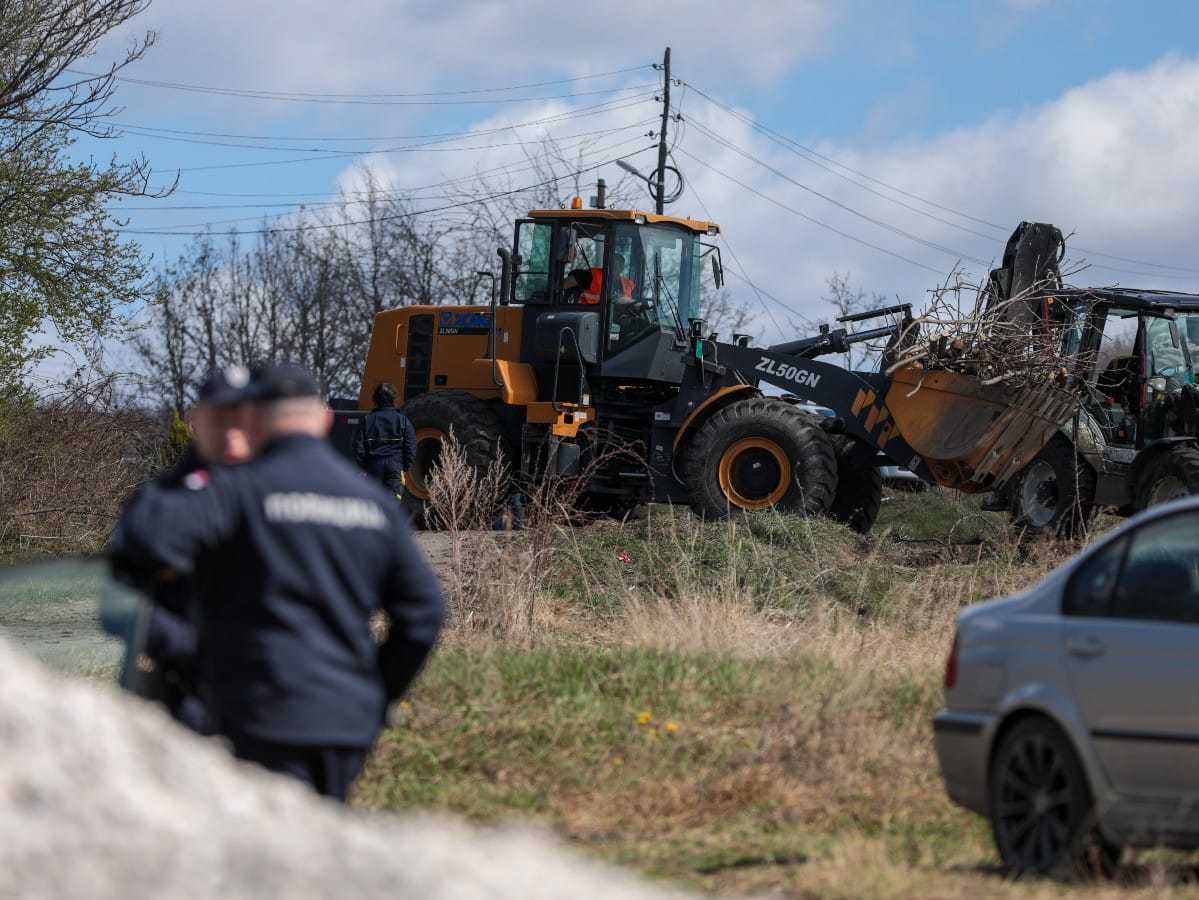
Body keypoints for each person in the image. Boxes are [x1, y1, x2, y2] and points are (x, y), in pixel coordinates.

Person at [111, 362, 445, 802]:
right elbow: (425, 613)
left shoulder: (236, 491)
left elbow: (141, 540)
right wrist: (374, 691)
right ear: (324, 419)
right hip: (343, 723)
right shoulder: (373, 505)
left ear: (250, 420)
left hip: (254, 714)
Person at [137, 365, 253, 730]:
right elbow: (120, 596)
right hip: (194, 693)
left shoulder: (287, 498)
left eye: (242, 420)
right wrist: (191, 647)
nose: (231, 434)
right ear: (194, 420)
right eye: (220, 419)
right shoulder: (159, 503)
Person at [353, 381, 415, 499]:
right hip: (395, 466)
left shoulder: (367, 420)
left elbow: (358, 447)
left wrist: (365, 466)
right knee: (392, 505)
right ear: (393, 399)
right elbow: (410, 448)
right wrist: (403, 466)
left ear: (375, 399)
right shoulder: (403, 421)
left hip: (373, 466)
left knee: (373, 504)